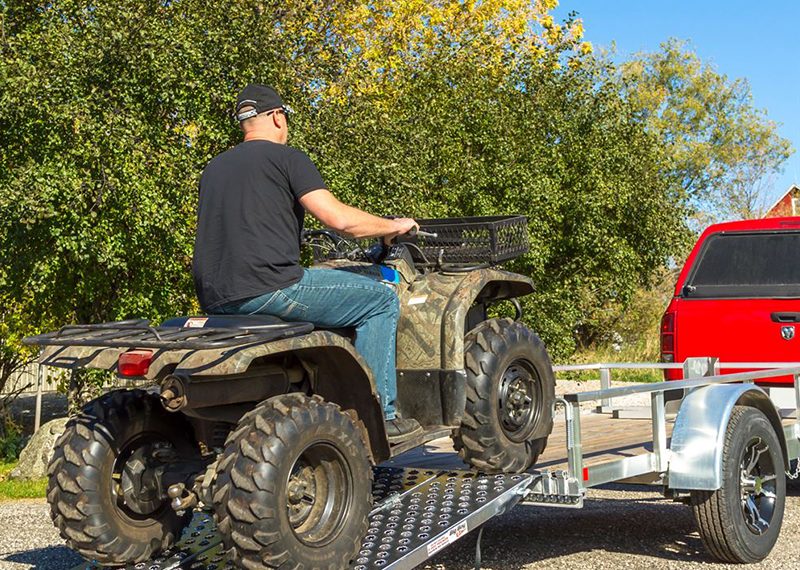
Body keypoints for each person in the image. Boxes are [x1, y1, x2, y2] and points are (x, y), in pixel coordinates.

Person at [192, 84, 422, 440]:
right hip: (271, 288)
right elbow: (339, 220)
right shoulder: (287, 158)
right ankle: (381, 417)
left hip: (216, 297)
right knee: (380, 299)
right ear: (277, 117)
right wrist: (393, 226)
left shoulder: (214, 168)